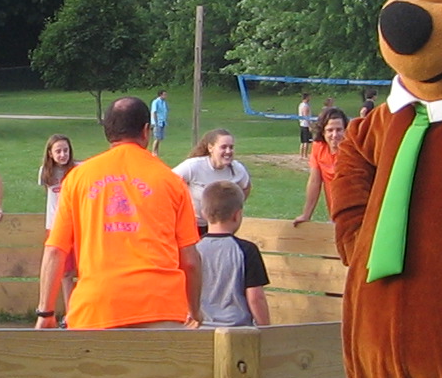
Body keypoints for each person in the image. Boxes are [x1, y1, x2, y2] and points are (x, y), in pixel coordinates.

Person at [35, 96, 200, 332]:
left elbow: (55, 250)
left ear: (107, 131)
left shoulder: (78, 179)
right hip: (160, 306)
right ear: (146, 131)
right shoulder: (171, 181)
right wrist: (194, 309)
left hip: (96, 308)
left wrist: (46, 312)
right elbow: (191, 260)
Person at [196, 180, 270, 328]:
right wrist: (266, 328)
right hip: (237, 331)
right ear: (237, 215)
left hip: (200, 330)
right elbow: (256, 297)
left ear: (204, 214)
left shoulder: (194, 250)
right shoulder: (247, 250)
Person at [173, 129, 250, 235]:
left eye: (231, 147)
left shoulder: (237, 169)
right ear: (210, 148)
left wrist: (235, 205)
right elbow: (168, 183)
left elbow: (246, 186)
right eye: (223, 147)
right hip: (192, 225)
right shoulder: (193, 166)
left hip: (220, 226)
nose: (228, 151)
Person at [291, 106, 350, 226]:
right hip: (334, 213)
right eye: (330, 130)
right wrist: (306, 214)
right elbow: (314, 182)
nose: (334, 135)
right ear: (323, 132)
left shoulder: (353, 151)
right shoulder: (319, 147)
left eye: (339, 130)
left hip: (355, 213)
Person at [37, 134, 76, 231]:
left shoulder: (77, 169)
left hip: (73, 222)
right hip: (53, 223)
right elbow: (48, 192)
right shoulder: (45, 171)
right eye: (58, 151)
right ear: (50, 153)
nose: (63, 155)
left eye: (66, 150)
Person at [150, 90, 169, 158]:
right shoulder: (156, 102)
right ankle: (153, 152)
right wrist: (155, 122)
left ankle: (156, 152)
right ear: (160, 95)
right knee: (157, 138)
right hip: (157, 122)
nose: (165, 96)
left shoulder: (164, 102)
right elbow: (154, 112)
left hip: (162, 122)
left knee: (160, 138)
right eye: (164, 95)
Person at [297, 93, 315, 160]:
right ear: (306, 97)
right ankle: (304, 155)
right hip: (305, 125)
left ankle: (301, 155)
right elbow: (305, 116)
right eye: (309, 97)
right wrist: (310, 126)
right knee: (306, 141)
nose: (310, 98)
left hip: (302, 124)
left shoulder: (301, 105)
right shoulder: (305, 106)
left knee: (303, 141)